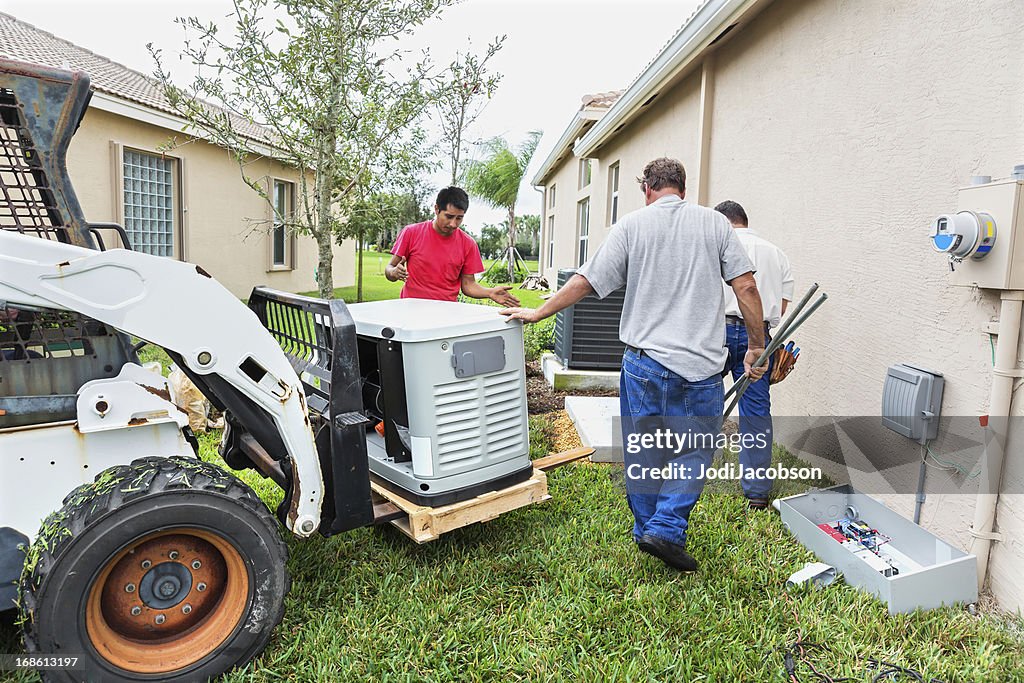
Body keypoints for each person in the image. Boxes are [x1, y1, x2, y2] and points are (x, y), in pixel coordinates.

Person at [501, 158, 766, 573]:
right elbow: (746, 285)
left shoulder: (631, 226)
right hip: (700, 370)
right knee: (694, 451)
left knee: (643, 450)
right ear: (682, 187)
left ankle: (650, 529)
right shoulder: (716, 225)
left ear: (647, 188)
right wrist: (755, 346)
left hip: (645, 365)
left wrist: (539, 313)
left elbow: (586, 280)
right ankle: (665, 527)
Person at [715, 200, 794, 511]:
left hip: (716, 331)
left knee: (697, 398)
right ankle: (757, 493)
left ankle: (681, 472)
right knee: (756, 413)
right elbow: (783, 308)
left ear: (722, 223)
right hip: (758, 337)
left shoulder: (718, 245)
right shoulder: (777, 253)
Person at [385, 186, 520, 306]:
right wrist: (394, 272)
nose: (453, 224)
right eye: (449, 216)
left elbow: (468, 285)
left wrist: (490, 292)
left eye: (459, 218)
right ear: (437, 209)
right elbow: (389, 269)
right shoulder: (411, 233)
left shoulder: (468, 244)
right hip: (411, 309)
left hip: (448, 313)